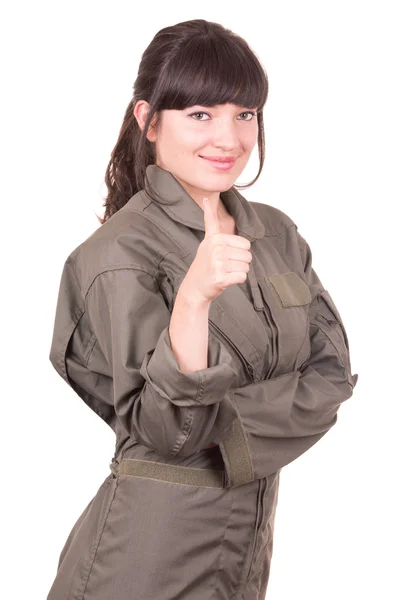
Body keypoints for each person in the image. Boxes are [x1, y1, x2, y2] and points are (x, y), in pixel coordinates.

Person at [46, 18, 359, 600]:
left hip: (246, 553)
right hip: (144, 560)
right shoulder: (116, 255)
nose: (230, 137)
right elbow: (171, 432)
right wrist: (191, 300)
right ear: (148, 119)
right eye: (200, 114)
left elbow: (332, 376)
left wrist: (223, 431)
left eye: (245, 114)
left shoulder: (276, 234)